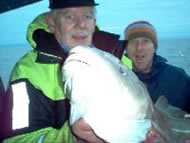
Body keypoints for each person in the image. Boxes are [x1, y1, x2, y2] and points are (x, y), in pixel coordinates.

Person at [2, 0, 130, 142]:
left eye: (87, 16)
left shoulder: (120, 60)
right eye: (70, 17)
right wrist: (74, 137)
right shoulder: (26, 72)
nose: (81, 24)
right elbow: (16, 140)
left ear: (94, 22)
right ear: (52, 22)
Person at [123, 21, 190, 113]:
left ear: (154, 47)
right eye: (133, 42)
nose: (139, 48)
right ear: (126, 48)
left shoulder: (178, 78)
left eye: (145, 41)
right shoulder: (117, 80)